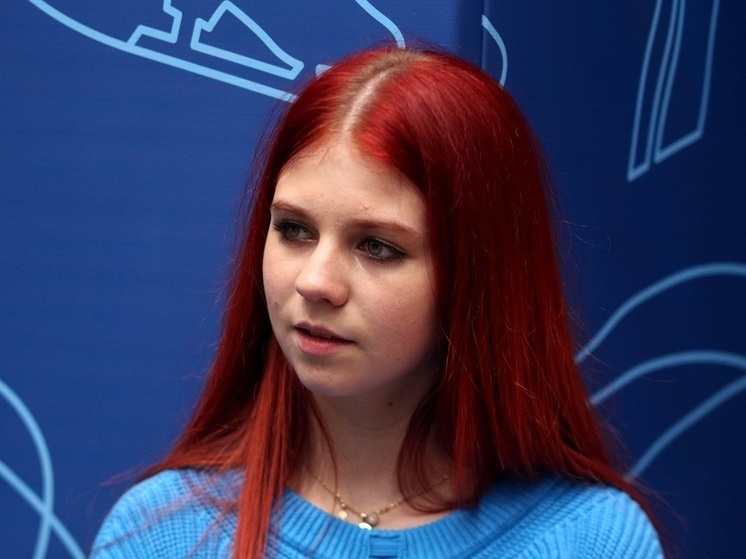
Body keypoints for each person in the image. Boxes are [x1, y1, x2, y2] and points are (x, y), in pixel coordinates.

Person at [91, 46, 664, 558]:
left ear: (479, 276)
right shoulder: (163, 534)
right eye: (294, 229)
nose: (316, 281)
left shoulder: (590, 540)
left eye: (377, 246)